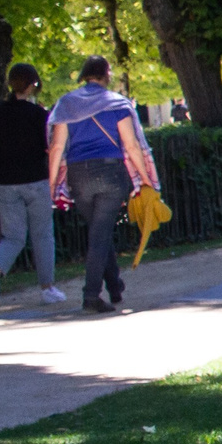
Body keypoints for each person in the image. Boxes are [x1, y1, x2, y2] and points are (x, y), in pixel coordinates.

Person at [45, 56, 157, 314]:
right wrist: (146, 178)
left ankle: (115, 286)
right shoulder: (117, 103)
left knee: (99, 231)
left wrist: (52, 184)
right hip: (110, 173)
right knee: (99, 235)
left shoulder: (66, 104)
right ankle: (91, 296)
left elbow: (57, 147)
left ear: (84, 74)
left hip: (78, 175)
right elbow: (131, 145)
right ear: (106, 74)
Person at [0, 64, 65, 307]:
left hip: (5, 182)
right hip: (34, 181)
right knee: (42, 235)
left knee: (13, 236)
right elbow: (49, 147)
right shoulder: (39, 115)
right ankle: (47, 288)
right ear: (32, 85)